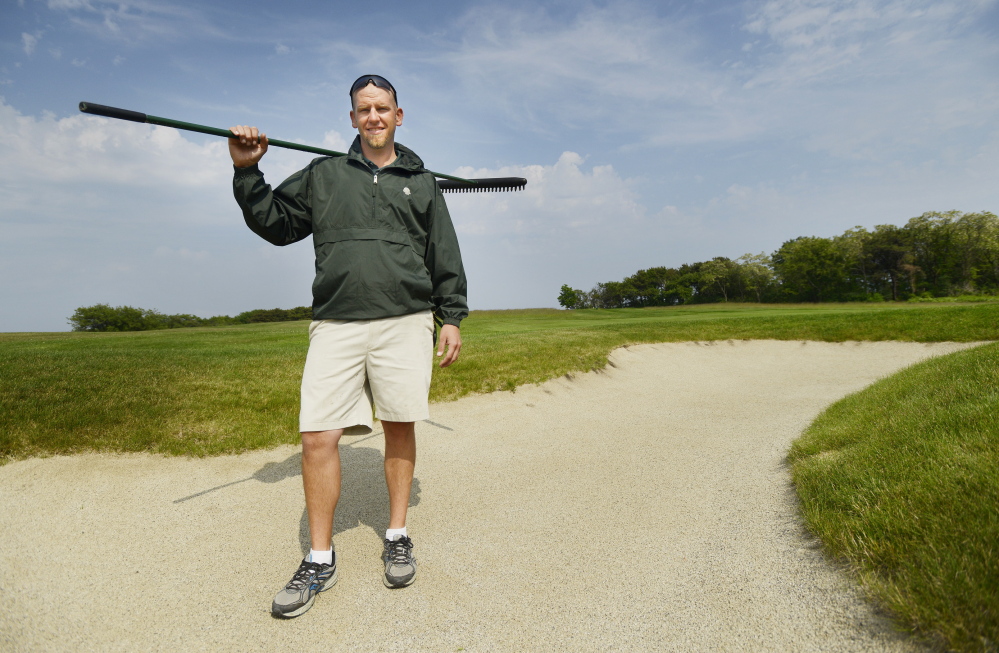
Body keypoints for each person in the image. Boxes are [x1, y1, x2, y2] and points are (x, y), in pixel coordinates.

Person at [228, 74, 467, 618]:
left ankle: (397, 534)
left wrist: (450, 316)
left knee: (400, 424)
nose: (374, 117)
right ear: (353, 118)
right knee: (317, 436)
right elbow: (276, 223)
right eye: (364, 109)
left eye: (383, 108)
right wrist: (248, 170)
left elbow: (444, 254)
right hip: (336, 320)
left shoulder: (422, 181)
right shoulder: (323, 173)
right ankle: (318, 558)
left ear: (398, 116)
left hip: (406, 319)